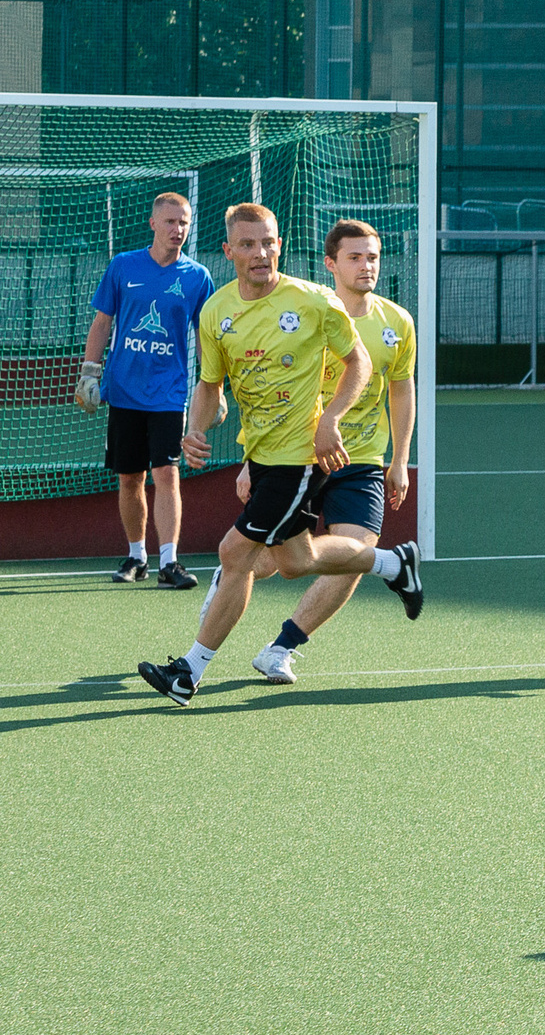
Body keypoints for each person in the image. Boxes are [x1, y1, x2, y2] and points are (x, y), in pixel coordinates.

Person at [138, 204, 424, 708]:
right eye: (247, 245)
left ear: (280, 245)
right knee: (295, 561)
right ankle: (392, 564)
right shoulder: (216, 311)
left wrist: (331, 420)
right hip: (264, 453)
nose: (261, 253)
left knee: (235, 553)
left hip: (300, 459)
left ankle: (189, 672)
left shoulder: (313, 301)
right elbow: (210, 386)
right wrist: (197, 428)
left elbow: (357, 364)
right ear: (228, 252)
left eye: (268, 243)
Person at [242, 220, 422, 684]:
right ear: (331, 263)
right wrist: (249, 462)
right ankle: (217, 605)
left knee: (356, 552)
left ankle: (282, 648)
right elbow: (271, 390)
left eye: (373, 257)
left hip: (361, 458)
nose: (367, 266)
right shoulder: (309, 312)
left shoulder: (397, 322)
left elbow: (401, 391)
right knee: (268, 560)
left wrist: (399, 459)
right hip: (298, 455)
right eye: (355, 257)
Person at [78, 191, 216, 588]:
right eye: (171, 222)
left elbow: (205, 335)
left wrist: (213, 383)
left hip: (169, 395)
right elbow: (102, 322)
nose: (178, 229)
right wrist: (89, 373)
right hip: (122, 392)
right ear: (153, 223)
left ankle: (169, 563)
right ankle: (136, 556)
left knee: (167, 473)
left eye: (184, 223)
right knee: (129, 479)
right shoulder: (123, 266)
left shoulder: (197, 276)